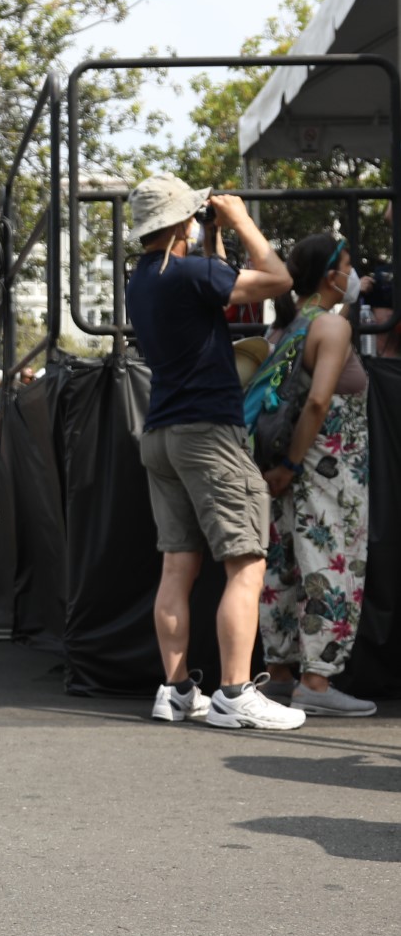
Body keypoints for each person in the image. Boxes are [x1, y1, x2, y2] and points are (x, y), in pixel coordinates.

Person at [123, 175, 304, 730]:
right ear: (181, 221)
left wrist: (210, 236)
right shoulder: (190, 274)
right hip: (209, 433)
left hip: (161, 435)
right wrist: (241, 218)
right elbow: (278, 279)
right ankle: (233, 692)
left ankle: (176, 691)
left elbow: (211, 286)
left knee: (177, 564)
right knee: (246, 563)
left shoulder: (144, 280)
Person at [259, 234, 376, 717]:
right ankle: (317, 681)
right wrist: (293, 464)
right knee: (333, 564)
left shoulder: (283, 327)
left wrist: (283, 466)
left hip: (284, 469)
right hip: (328, 467)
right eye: (347, 266)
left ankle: (282, 675)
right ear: (332, 276)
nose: (351, 275)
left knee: (284, 564)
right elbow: (318, 400)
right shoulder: (330, 326)